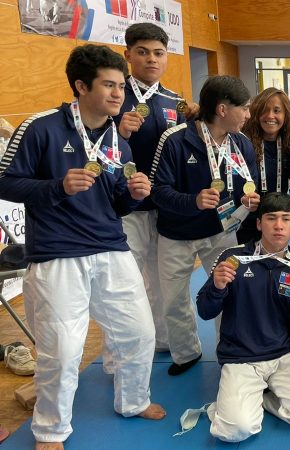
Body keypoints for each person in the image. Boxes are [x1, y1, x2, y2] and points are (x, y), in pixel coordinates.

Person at [0, 44, 165, 450]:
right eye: (108, 85)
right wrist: (58, 187)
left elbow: (116, 203)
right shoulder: (41, 128)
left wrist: (135, 194)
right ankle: (51, 430)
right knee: (62, 348)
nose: (117, 94)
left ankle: (133, 400)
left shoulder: (118, 143)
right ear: (80, 86)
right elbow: (5, 183)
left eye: (120, 86)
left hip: (111, 247)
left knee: (139, 333)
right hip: (58, 253)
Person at [196, 193, 290, 442]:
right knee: (236, 430)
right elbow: (205, 311)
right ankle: (240, 404)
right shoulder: (232, 259)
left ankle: (258, 398)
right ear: (259, 224)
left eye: (286, 219)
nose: (278, 226)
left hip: (285, 353)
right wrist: (217, 287)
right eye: (271, 218)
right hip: (241, 358)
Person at [151, 75, 257, 376]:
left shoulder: (241, 143)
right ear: (223, 109)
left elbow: (248, 184)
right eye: (244, 108)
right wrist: (192, 201)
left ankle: (230, 348)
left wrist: (248, 202)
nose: (249, 115)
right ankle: (186, 353)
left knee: (230, 290)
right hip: (177, 234)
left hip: (223, 232)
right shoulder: (175, 140)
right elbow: (158, 190)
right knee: (173, 299)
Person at [113, 22, 186, 362]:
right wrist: (118, 132)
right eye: (142, 52)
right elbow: (88, 149)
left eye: (158, 53)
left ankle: (163, 340)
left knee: (162, 282)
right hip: (125, 208)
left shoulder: (175, 101)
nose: (151, 60)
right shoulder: (114, 97)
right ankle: (120, 355)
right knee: (123, 286)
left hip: (165, 207)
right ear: (128, 55)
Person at [239, 87, 290, 243]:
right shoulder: (243, 142)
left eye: (277, 111)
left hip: (277, 219)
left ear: (286, 115)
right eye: (264, 110)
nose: (270, 116)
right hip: (247, 219)